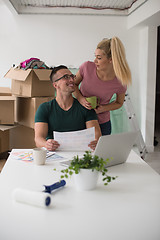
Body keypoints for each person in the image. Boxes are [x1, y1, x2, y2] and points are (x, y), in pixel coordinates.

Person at [34, 65, 101, 151]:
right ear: (55, 85)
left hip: (80, 155)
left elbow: (96, 134)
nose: (72, 80)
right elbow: (38, 139)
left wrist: (96, 141)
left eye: (72, 76)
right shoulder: (45, 108)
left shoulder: (85, 107)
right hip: (54, 154)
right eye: (66, 77)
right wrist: (46, 144)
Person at [74, 37, 132, 135]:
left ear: (111, 59)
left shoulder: (120, 81)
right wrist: (81, 99)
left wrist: (103, 108)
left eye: (99, 58)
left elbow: (119, 102)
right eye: (95, 56)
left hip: (102, 123)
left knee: (102, 150)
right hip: (80, 119)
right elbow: (73, 84)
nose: (95, 61)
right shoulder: (87, 67)